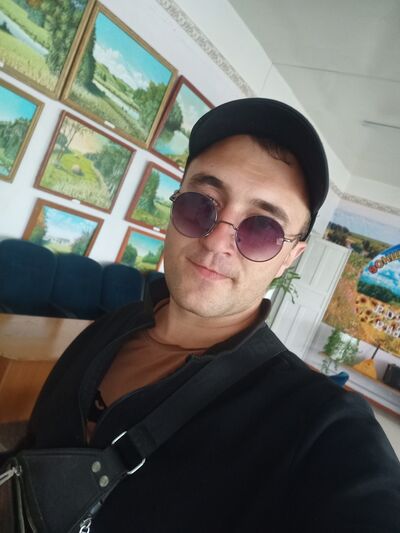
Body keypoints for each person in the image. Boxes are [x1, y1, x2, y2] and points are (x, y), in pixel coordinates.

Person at [12, 99, 400, 531]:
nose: (216, 242)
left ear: (289, 257)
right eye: (201, 204)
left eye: (262, 228)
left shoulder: (321, 426)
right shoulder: (108, 329)